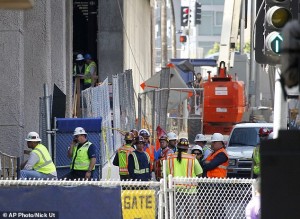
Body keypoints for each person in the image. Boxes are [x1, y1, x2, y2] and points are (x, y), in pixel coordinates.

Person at [166, 138, 203, 218]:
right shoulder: (192, 159)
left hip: (175, 189)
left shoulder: (170, 158)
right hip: (190, 190)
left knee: (176, 214)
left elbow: (166, 173)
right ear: (187, 148)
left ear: (177, 147)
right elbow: (199, 173)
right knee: (191, 215)